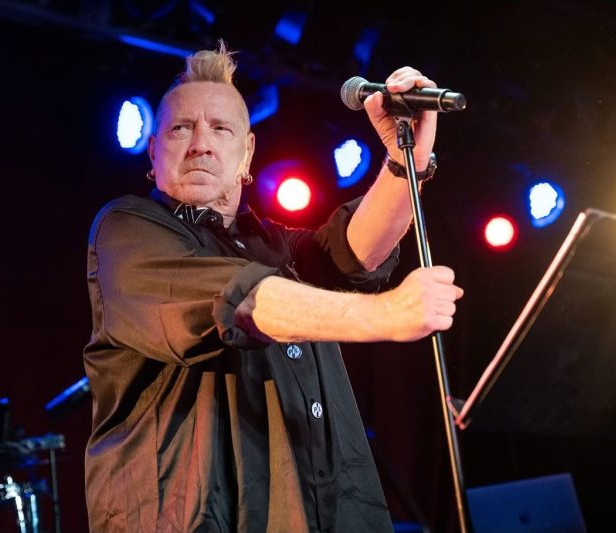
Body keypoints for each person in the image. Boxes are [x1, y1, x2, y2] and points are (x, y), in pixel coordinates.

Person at [82, 40, 463, 533]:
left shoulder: (272, 245)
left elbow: (354, 251)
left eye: (220, 128)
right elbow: (237, 298)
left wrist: (404, 157)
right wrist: (390, 315)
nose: (200, 144)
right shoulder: (127, 229)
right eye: (180, 128)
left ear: (247, 153)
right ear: (153, 151)